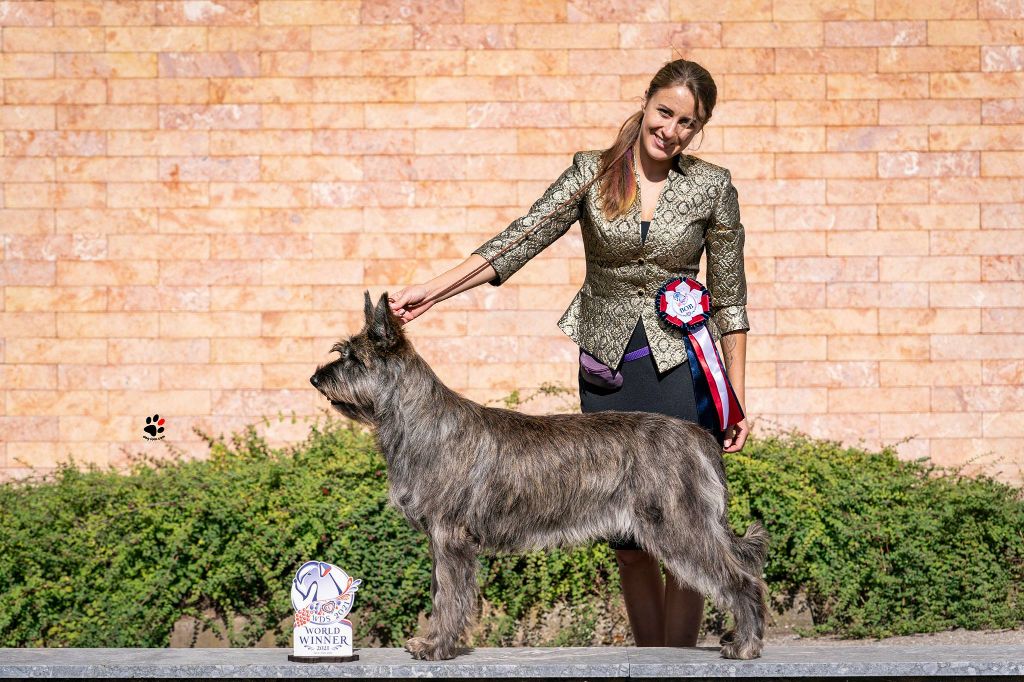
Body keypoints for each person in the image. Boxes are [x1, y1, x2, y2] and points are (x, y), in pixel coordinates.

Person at [388, 59, 750, 648]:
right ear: (647, 101)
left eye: (689, 123)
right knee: (630, 544)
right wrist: (434, 289)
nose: (672, 130)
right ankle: (649, 658)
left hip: (684, 369)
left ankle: (681, 662)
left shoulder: (713, 185)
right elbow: (521, 238)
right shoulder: (592, 172)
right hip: (609, 367)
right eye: (665, 112)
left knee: (682, 530)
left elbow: (731, 299)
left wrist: (733, 396)